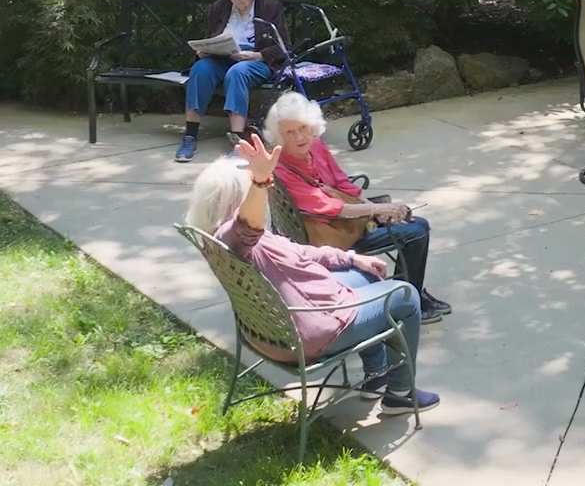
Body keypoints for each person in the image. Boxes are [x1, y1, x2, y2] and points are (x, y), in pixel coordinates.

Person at [184, 134, 439, 413]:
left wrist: (352, 258)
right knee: (406, 295)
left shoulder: (215, 237)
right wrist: (259, 180)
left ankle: (376, 375)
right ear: (240, 198)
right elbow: (248, 226)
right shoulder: (236, 235)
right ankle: (401, 393)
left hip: (270, 332)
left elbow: (300, 252)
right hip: (309, 333)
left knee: (366, 274)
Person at [264, 92, 451, 324]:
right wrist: (374, 211)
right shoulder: (282, 169)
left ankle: (413, 291)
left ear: (312, 126)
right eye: (289, 132)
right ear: (279, 137)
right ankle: (409, 303)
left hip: (347, 222)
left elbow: (342, 183)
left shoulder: (316, 145)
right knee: (417, 232)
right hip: (332, 236)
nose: (299, 137)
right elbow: (330, 207)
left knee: (417, 223)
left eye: (302, 127)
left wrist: (376, 209)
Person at [176, 0, 291, 163]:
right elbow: (210, 37)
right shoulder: (220, 8)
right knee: (200, 69)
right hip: (222, 56)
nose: (237, 1)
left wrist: (256, 55)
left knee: (237, 72)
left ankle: (238, 143)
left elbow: (284, 47)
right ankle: (189, 136)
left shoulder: (270, 8)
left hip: (255, 61)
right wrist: (205, 50)